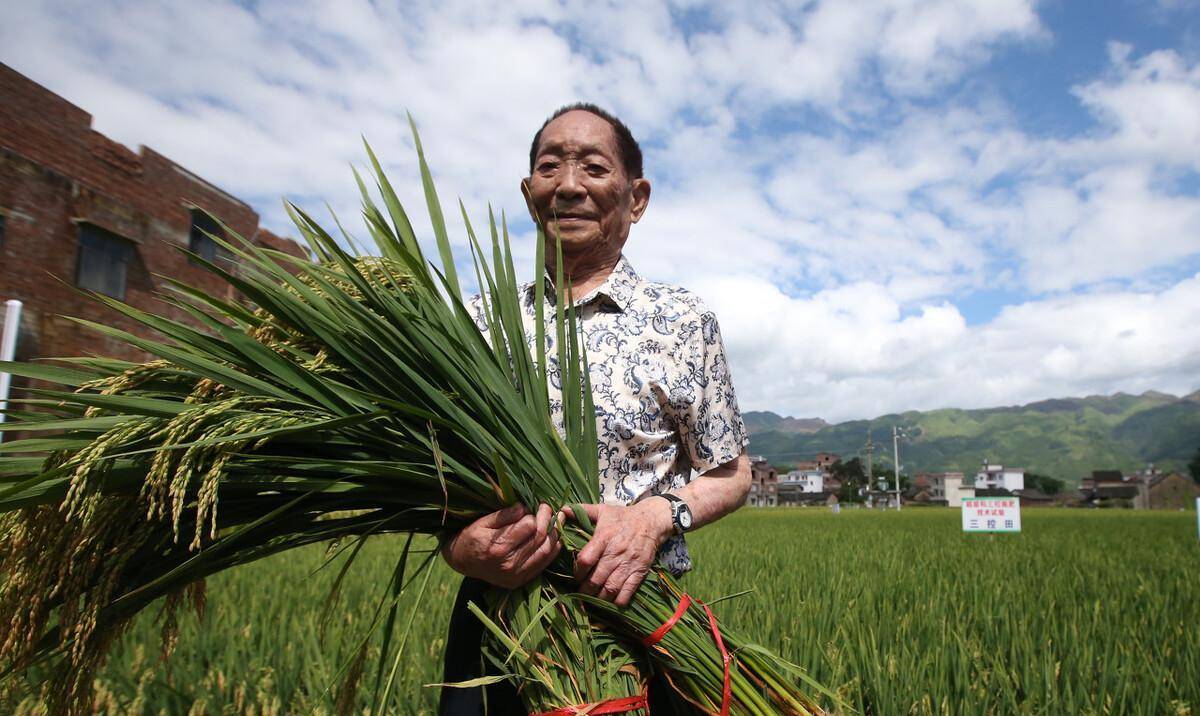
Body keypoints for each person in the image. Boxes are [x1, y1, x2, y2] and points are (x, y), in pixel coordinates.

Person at [439, 103, 751, 716]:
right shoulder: (477, 325)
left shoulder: (683, 322)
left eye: (593, 166)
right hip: (499, 627)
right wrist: (460, 548)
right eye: (549, 166)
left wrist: (654, 519)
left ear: (636, 197)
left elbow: (731, 473)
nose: (570, 184)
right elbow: (439, 479)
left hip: (642, 619)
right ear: (529, 193)